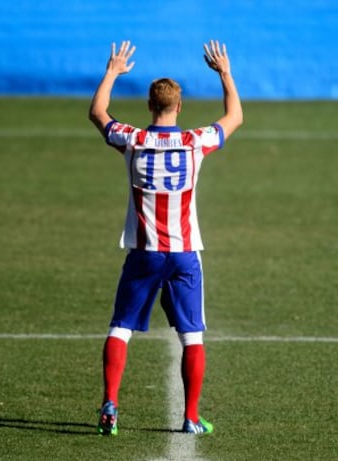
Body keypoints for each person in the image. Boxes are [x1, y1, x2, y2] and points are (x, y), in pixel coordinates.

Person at [89, 39, 243, 436]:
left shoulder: (133, 139)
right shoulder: (195, 142)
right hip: (184, 253)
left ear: (149, 106)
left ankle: (110, 403)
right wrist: (224, 72)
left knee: (120, 327)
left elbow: (98, 113)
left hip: (144, 253)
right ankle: (190, 418)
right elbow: (235, 117)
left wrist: (112, 71)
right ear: (179, 107)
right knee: (192, 336)